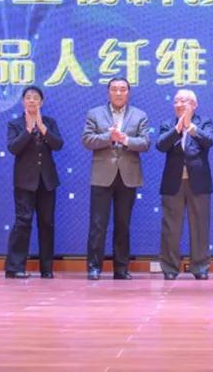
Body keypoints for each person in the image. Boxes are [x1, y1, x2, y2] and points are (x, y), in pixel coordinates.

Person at [81, 77, 150, 280]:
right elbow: (87, 140)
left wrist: (125, 139)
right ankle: (94, 267)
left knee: (123, 225)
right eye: (114, 89)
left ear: (128, 92)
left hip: (128, 176)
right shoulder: (94, 113)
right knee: (97, 224)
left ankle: (121, 269)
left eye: (122, 89)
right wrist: (108, 138)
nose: (118, 93)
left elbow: (145, 143)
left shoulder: (140, 115)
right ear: (108, 92)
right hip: (102, 176)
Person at [155, 89, 213, 280]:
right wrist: (177, 129)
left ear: (194, 105)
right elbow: (161, 145)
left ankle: (200, 267)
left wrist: (190, 127)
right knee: (171, 228)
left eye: (184, 101)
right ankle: (170, 268)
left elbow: (209, 140)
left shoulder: (204, 122)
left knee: (200, 226)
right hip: (173, 182)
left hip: (199, 182)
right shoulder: (168, 124)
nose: (179, 104)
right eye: (176, 101)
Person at [4, 86, 63, 279]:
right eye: (28, 97)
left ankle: (46, 269)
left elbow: (58, 144)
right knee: (23, 222)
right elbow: (13, 148)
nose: (31, 100)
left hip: (47, 181)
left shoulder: (50, 122)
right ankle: (15, 267)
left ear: (41, 102)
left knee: (47, 223)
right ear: (23, 101)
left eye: (35, 98)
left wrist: (42, 128)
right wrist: (29, 129)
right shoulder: (15, 124)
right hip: (24, 182)